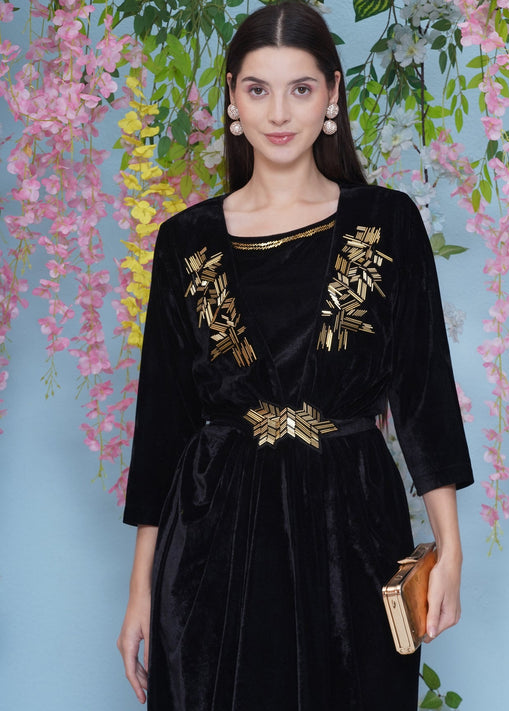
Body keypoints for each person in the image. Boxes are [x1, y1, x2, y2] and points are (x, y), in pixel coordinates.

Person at [117, 2, 474, 709]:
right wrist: (139, 591)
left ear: (332, 93)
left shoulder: (387, 221)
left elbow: (423, 394)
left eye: (300, 88)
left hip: (353, 529)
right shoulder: (185, 241)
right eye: (258, 89)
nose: (278, 112)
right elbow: (163, 425)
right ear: (231, 98)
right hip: (213, 538)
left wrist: (450, 550)